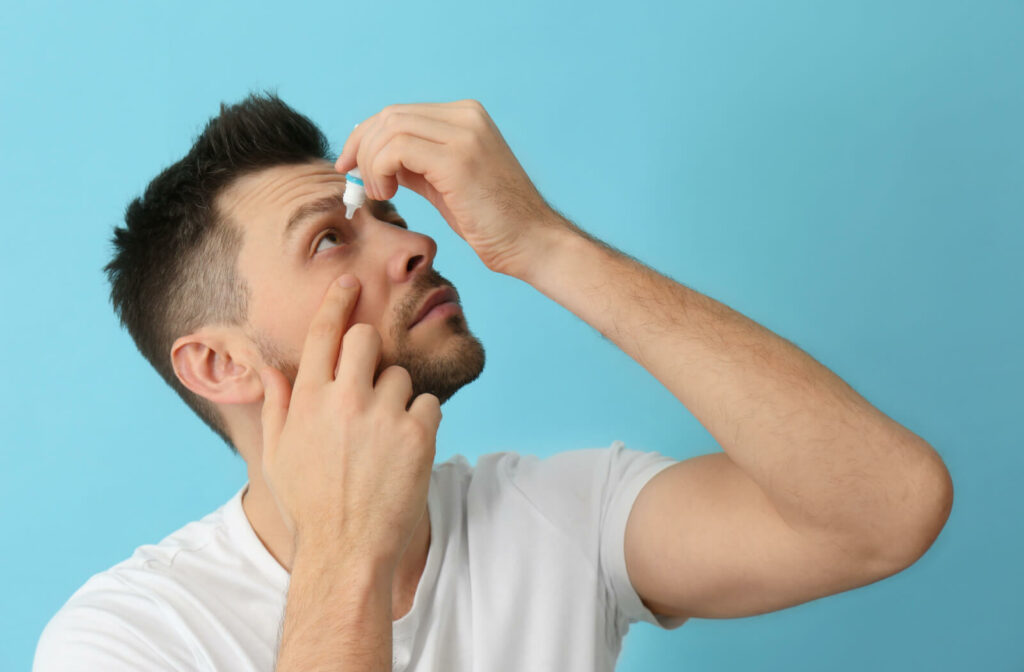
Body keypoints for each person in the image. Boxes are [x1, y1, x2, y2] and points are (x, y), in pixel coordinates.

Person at [33, 93, 954, 671]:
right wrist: (349, 550)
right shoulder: (125, 639)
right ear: (219, 364)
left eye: (390, 216)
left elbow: (886, 511)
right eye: (330, 238)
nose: (413, 243)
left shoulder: (560, 518)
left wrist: (544, 243)